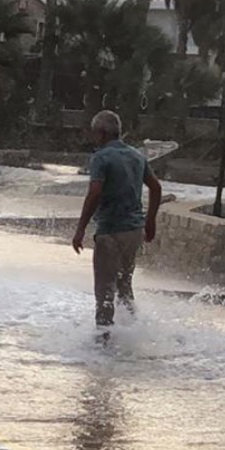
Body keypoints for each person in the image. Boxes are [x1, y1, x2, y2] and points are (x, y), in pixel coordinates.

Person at [72, 110, 163, 331]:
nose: (93, 137)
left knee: (104, 291)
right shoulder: (137, 156)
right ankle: (133, 332)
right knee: (124, 286)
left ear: (102, 133)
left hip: (110, 231)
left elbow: (94, 193)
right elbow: (156, 187)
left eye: (94, 133)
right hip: (134, 231)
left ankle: (103, 344)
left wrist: (80, 229)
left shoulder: (101, 157)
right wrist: (150, 221)